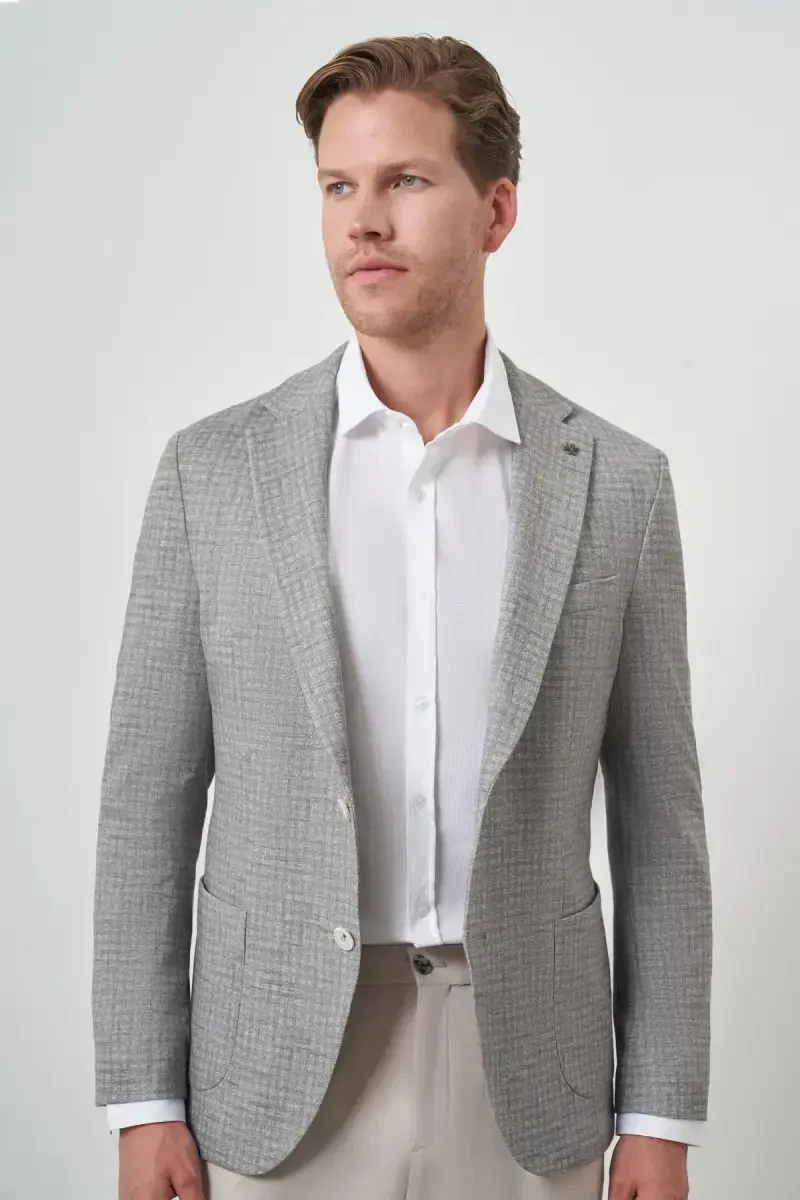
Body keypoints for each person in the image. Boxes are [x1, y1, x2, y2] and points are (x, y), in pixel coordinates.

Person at [92, 33, 712, 1200]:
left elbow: (660, 828)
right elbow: (145, 805)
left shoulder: (616, 486)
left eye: (405, 181)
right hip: (271, 1071)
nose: (362, 222)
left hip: (530, 1071)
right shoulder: (212, 473)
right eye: (337, 186)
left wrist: (659, 1115)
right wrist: (143, 1101)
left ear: (496, 210)